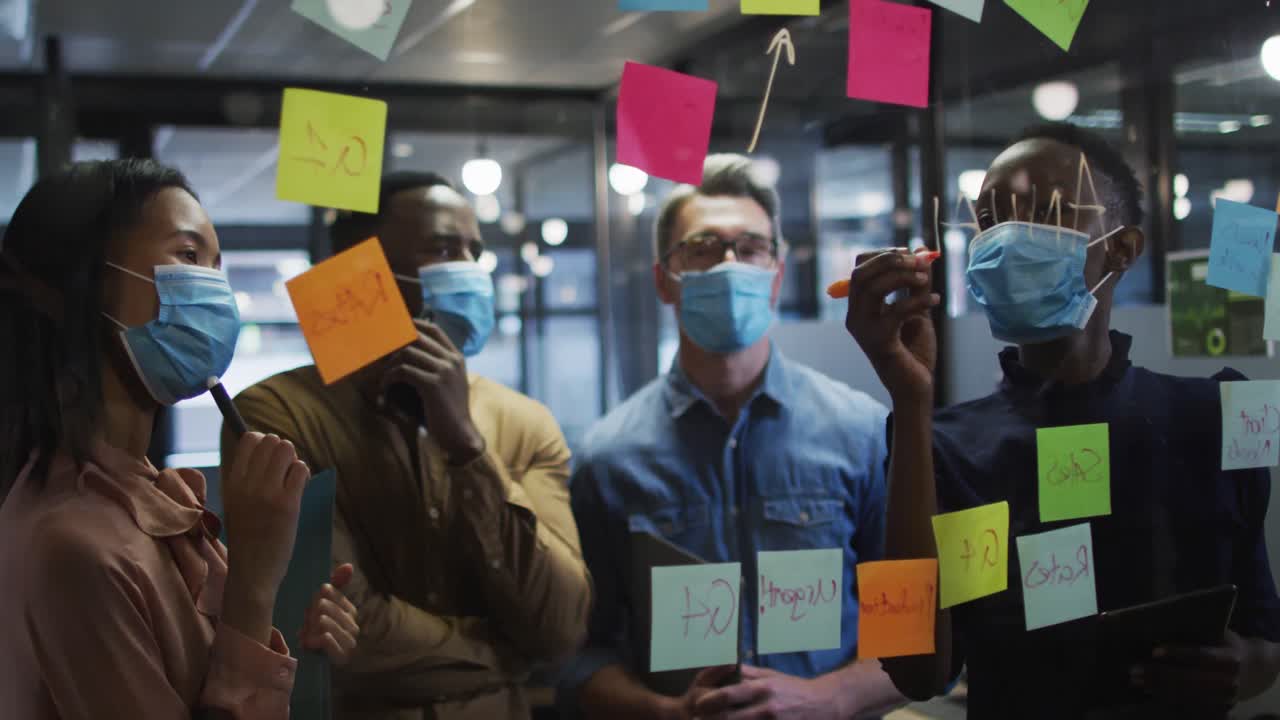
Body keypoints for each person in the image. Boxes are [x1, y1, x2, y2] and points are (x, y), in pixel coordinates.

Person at [845, 123, 1280, 718]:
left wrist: (1237, 667)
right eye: (990, 219)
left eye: (1046, 210)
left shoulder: (1211, 417)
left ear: (1123, 248)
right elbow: (915, 670)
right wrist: (910, 398)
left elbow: (1264, 632)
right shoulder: (945, 444)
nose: (1006, 238)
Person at [223, 171, 591, 720]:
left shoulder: (524, 421)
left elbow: (560, 627)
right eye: (443, 248)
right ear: (360, 267)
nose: (467, 269)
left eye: (475, 252)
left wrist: (466, 445)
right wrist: (509, 655)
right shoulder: (277, 414)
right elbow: (344, 623)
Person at [0, 159, 359, 719]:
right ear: (86, 283)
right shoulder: (72, 545)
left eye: (218, 268)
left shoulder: (150, 496)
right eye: (189, 257)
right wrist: (254, 584)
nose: (215, 292)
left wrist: (289, 633)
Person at [561, 154, 906, 719]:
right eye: (702, 248)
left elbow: (920, 629)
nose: (729, 264)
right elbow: (577, 659)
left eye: (749, 248)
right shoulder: (608, 457)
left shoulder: (863, 432)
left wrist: (828, 698)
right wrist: (666, 713)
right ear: (664, 281)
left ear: (776, 275)